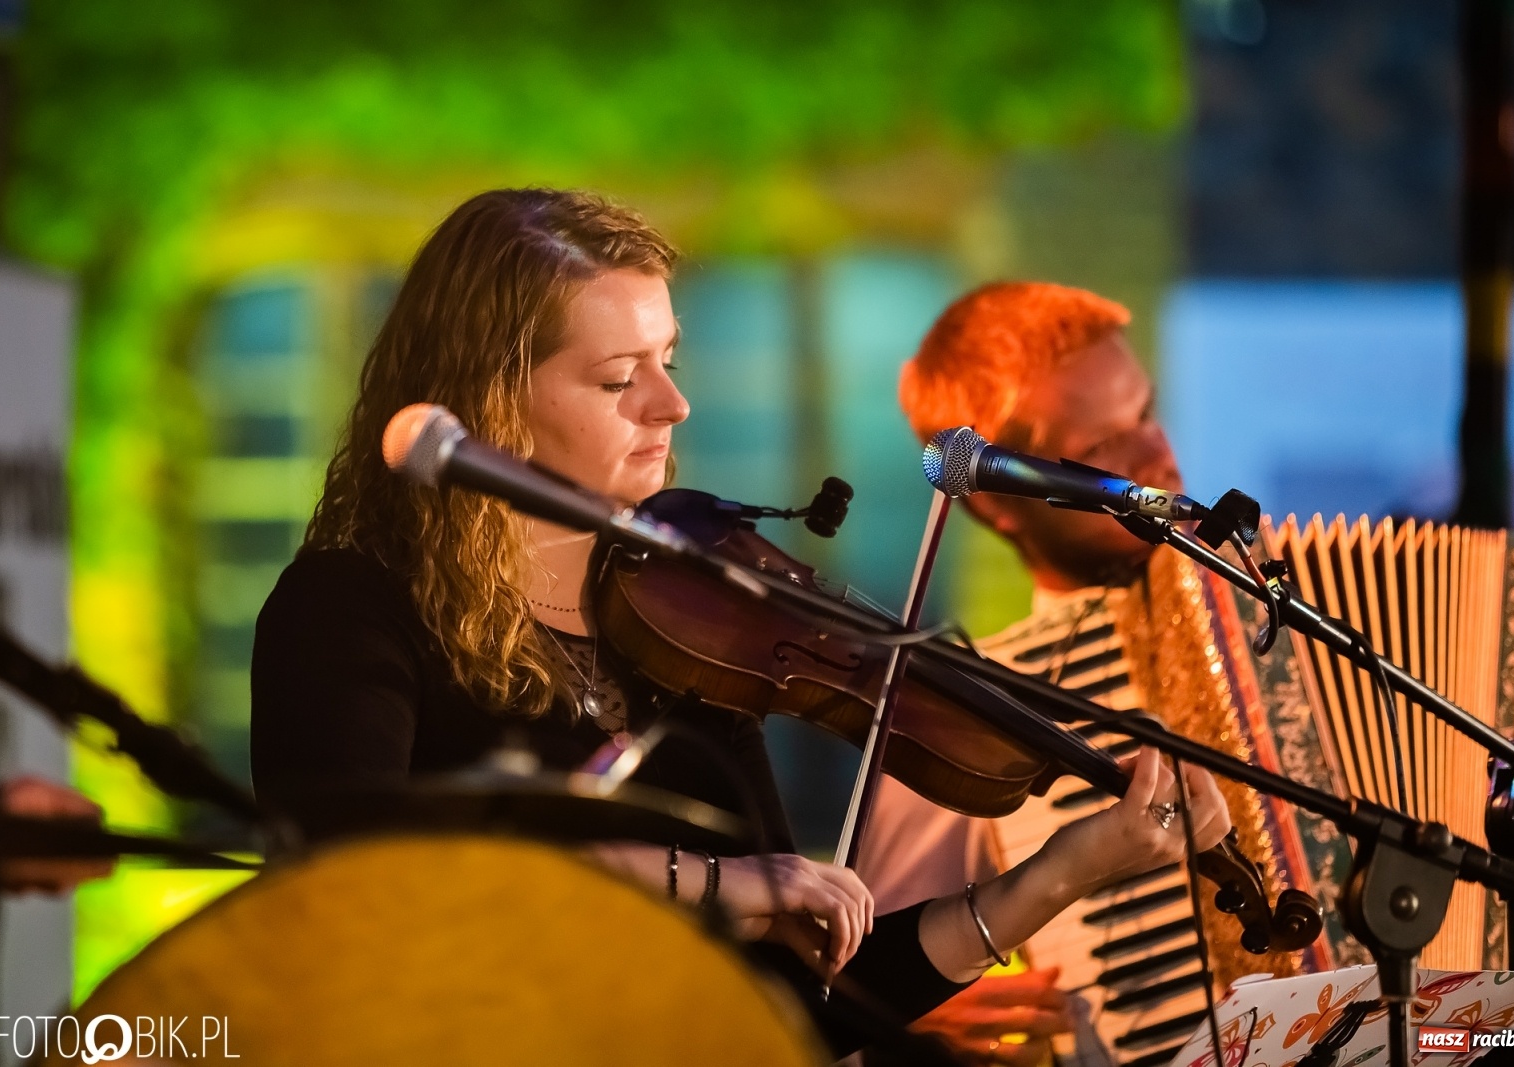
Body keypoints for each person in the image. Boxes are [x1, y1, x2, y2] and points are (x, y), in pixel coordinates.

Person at [248, 189, 1231, 1057]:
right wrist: (712, 879)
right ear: (497, 397)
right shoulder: (348, 609)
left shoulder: (680, 613)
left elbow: (798, 1004)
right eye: (617, 376)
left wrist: (1062, 870)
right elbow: (361, 881)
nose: (671, 403)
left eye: (668, 359)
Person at [854, 281, 1218, 1066]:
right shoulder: (974, 708)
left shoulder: (1294, 614)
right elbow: (866, 992)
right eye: (1100, 450)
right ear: (997, 505)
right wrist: (924, 1014)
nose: (1154, 456)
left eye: (1146, 412)